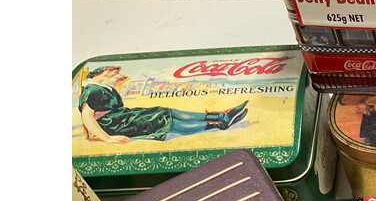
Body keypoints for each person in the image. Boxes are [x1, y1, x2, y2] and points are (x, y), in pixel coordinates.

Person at [78, 65, 248, 144]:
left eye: (114, 72)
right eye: (110, 72)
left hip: (121, 117)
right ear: (99, 71)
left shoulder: (103, 86)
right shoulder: (91, 89)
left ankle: (220, 116)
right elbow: (87, 116)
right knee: (163, 120)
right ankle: (218, 123)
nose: (112, 74)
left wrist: (118, 87)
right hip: (113, 124)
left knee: (163, 111)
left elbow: (110, 104)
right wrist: (107, 139)